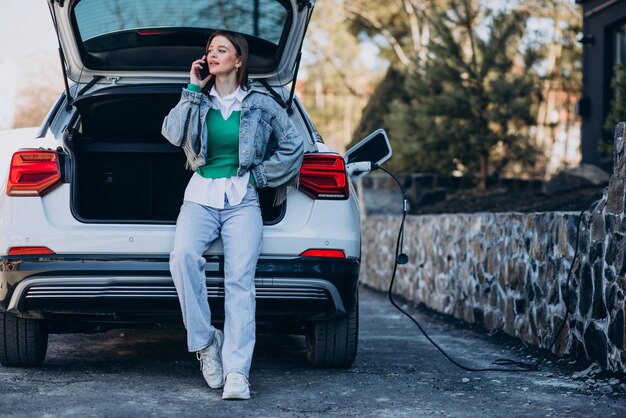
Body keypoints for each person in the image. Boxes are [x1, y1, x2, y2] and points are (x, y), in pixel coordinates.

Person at [161, 30, 304, 400]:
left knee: (240, 281)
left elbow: (294, 144)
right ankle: (206, 344)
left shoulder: (260, 102)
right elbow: (172, 133)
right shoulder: (198, 98)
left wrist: (261, 176)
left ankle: (238, 370)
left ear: (239, 60)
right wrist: (191, 90)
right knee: (182, 258)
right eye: (210, 50)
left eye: (221, 50)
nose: (212, 55)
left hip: (242, 199)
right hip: (200, 198)